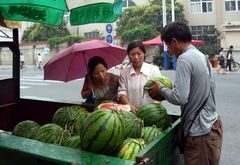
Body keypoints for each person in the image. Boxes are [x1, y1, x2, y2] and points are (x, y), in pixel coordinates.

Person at [147, 22, 223, 165]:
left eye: (168, 46)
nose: (169, 51)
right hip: (212, 126)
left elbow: (180, 97)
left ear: (174, 41)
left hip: (200, 133)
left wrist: (161, 89)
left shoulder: (184, 59)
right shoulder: (201, 56)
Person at [118, 41, 161, 113]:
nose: (136, 57)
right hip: (131, 113)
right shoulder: (124, 73)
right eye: (132, 54)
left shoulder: (154, 70)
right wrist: (128, 105)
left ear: (144, 54)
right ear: (128, 56)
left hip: (151, 113)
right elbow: (122, 93)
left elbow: (159, 92)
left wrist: (153, 108)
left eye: (139, 53)